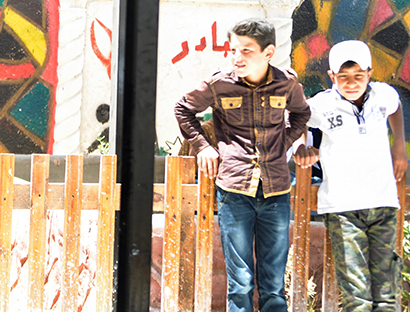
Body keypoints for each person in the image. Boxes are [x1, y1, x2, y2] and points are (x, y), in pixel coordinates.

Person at [174, 18, 311, 312]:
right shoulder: (219, 83)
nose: (237, 57)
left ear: (268, 52)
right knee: (241, 283)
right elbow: (183, 109)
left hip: (276, 193)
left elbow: (301, 114)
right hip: (234, 190)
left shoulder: (287, 83)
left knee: (273, 285)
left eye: (246, 50)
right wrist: (204, 147)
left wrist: (283, 144)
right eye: (233, 49)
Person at [293, 40, 407, 311]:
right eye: (343, 77)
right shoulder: (323, 104)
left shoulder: (383, 95)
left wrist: (399, 146)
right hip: (343, 209)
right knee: (357, 294)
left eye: (359, 76)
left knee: (387, 292)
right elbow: (300, 117)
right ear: (332, 77)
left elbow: (396, 107)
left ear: (369, 73)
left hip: (383, 204)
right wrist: (301, 145)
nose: (351, 82)